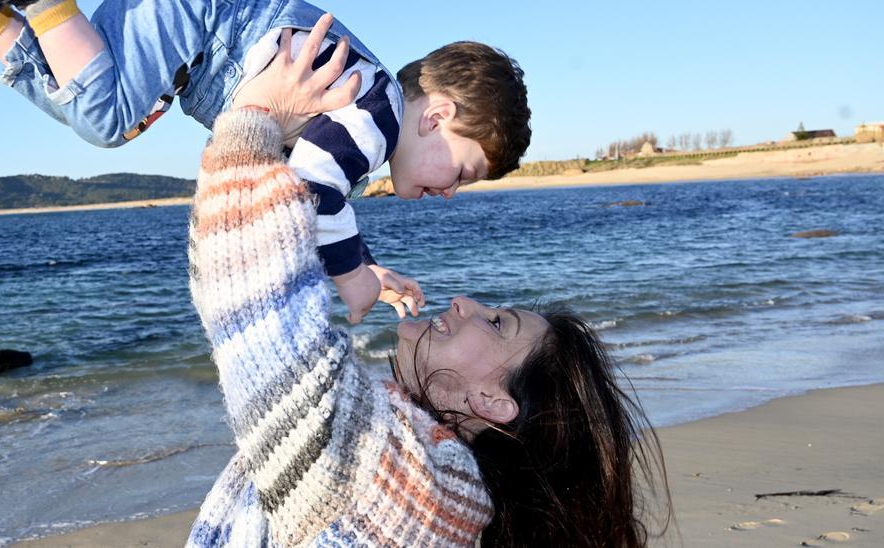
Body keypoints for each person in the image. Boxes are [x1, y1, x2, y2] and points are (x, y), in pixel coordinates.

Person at [182, 24, 669, 547]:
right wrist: (354, 265)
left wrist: (253, 116)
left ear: (493, 402)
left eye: (498, 322)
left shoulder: (417, 491)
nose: (464, 302)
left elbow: (258, 323)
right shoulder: (441, 488)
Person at [0, 0, 532, 324]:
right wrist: (353, 277)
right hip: (205, 21)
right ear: (437, 116)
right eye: (466, 172)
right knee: (107, 116)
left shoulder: (371, 119)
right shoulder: (377, 111)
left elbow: (303, 195)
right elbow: (317, 189)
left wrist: (363, 263)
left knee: (96, 108)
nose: (453, 192)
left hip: (196, 38)